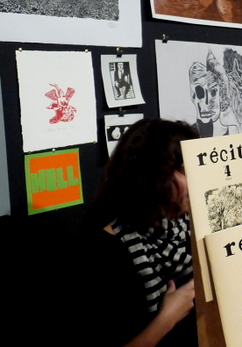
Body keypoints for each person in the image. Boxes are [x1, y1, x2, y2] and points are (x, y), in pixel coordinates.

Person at [82, 119, 199, 346]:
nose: (198, 179)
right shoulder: (106, 249)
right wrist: (168, 317)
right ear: (155, 174)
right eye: (187, 171)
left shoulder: (184, 222)